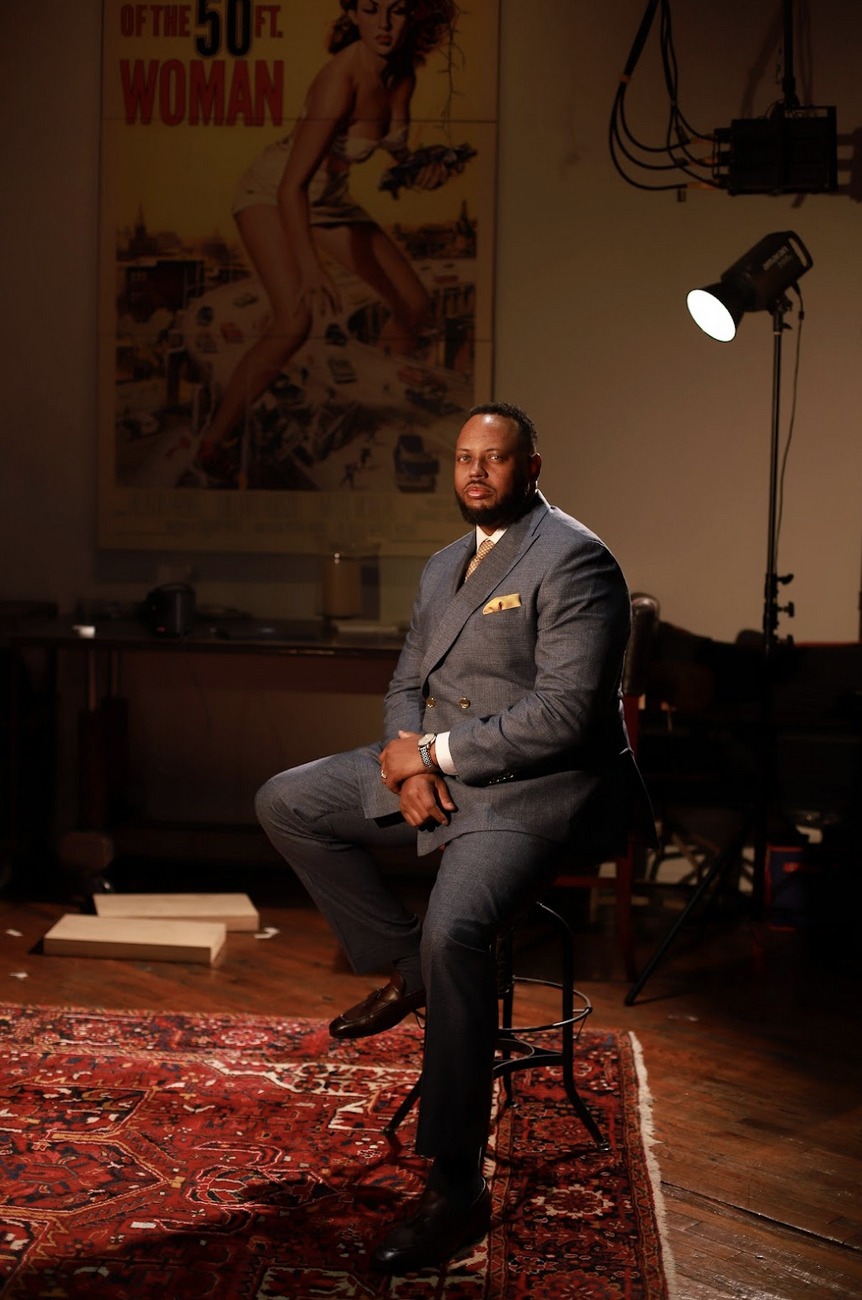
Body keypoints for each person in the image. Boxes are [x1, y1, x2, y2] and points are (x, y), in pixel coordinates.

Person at [256, 400, 654, 1272]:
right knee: (286, 802)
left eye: (495, 458)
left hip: (537, 791)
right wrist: (408, 767)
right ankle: (408, 969)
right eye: (465, 458)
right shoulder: (444, 563)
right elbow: (407, 682)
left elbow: (563, 716)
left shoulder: (576, 558)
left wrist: (433, 754)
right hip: (439, 766)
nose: (477, 472)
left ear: (530, 468)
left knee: (459, 929)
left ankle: (456, 1185)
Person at [193, 0, 459, 484]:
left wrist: (427, 173)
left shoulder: (401, 75)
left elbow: (396, 159)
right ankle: (212, 441)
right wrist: (310, 268)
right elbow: (289, 188)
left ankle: (372, 396)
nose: (384, 24)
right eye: (371, 9)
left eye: (396, 10)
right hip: (272, 193)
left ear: (411, 16)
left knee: (414, 304)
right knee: (294, 320)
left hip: (329, 200)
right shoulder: (340, 79)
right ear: (353, 14)